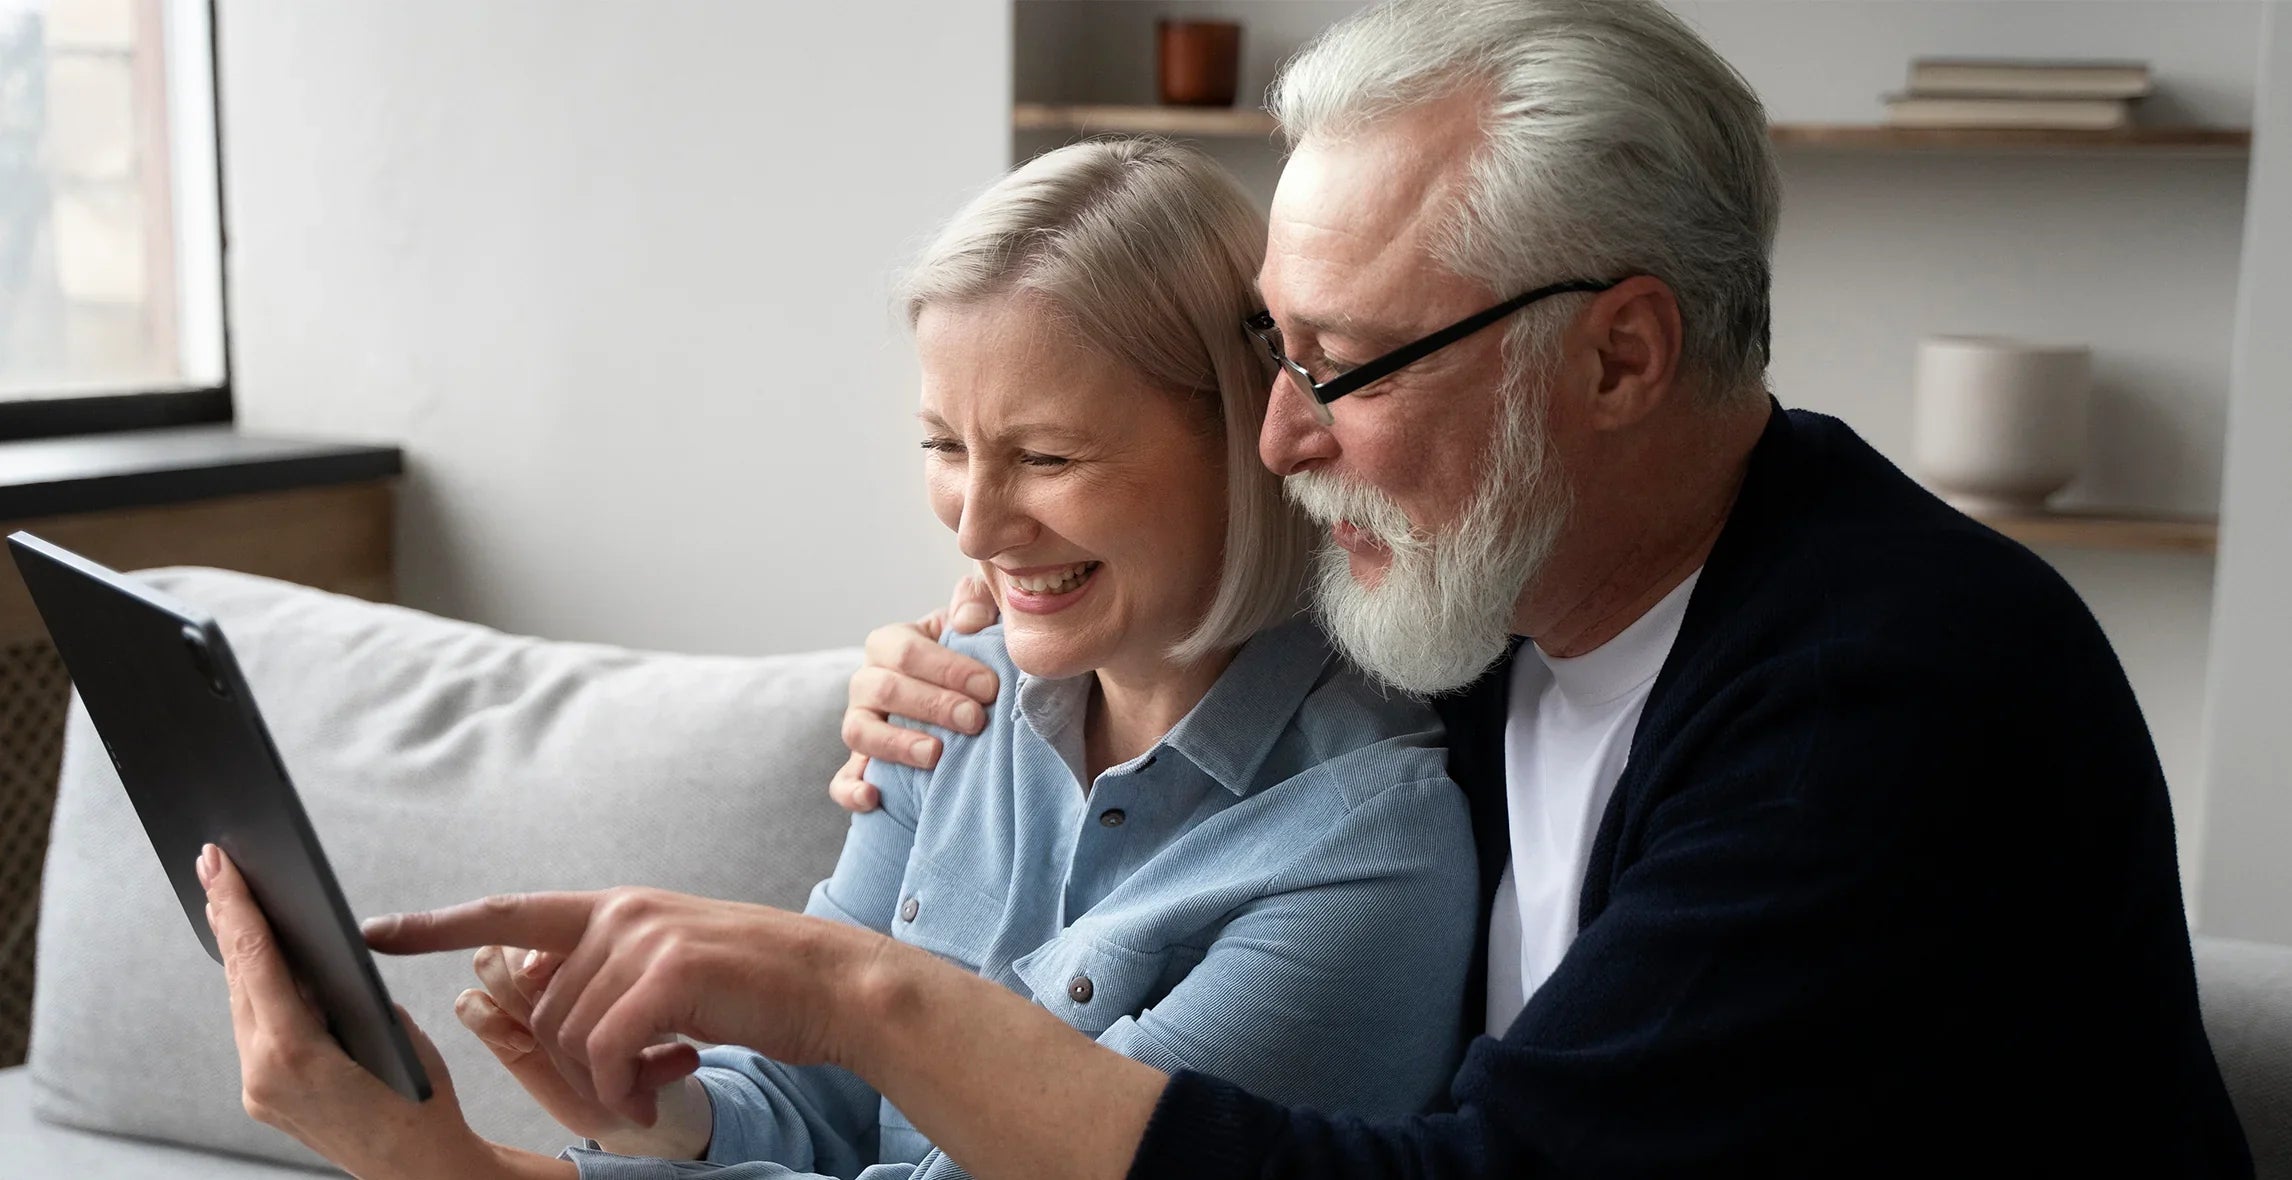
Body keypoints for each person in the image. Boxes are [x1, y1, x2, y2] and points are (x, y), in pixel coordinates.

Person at [202, 0, 2251, 1176]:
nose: (1281, 434)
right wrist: (942, 654)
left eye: (1344, 364)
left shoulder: (1888, 699)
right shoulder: (1479, 622)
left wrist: (848, 988)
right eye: (1273, 350)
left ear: (1621, 357)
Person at [196, 138, 1480, 1179]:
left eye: (1046, 457)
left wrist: (448, 1173)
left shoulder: (1365, 849)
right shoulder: (955, 699)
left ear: (1243, 439)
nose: (975, 525)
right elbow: (820, 1106)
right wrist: (663, 1117)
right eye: (944, 446)